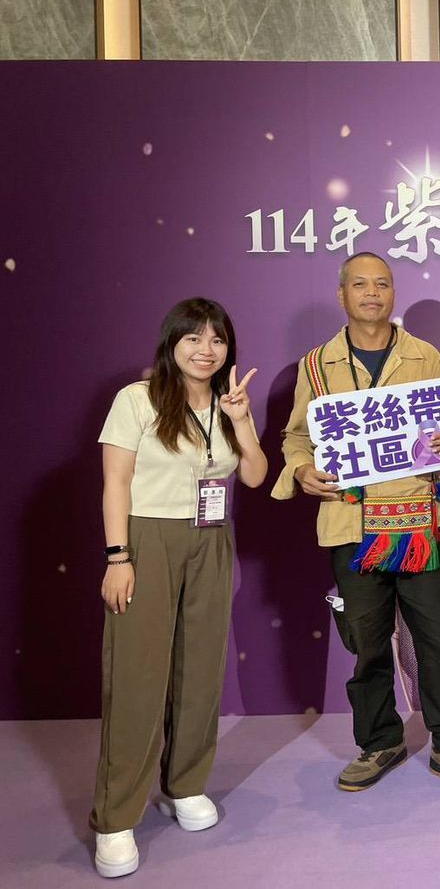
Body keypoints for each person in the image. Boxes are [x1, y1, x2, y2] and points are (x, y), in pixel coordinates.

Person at [272, 252, 440, 795]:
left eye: (381, 284)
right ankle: (379, 742)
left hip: (417, 524)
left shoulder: (424, 356)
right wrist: (301, 470)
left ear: (393, 293)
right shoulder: (316, 366)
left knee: (438, 640)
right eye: (360, 284)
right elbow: (297, 438)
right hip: (351, 526)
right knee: (367, 644)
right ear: (342, 295)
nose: (371, 293)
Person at [92, 298, 266, 878]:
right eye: (193, 338)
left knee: (200, 670)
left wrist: (242, 420)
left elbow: (255, 475)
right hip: (148, 539)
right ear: (172, 343)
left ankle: (185, 785)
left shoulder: (227, 403)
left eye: (217, 339)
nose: (205, 349)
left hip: (211, 541)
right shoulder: (136, 400)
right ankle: (116, 818)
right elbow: (115, 482)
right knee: (139, 675)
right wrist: (118, 557)